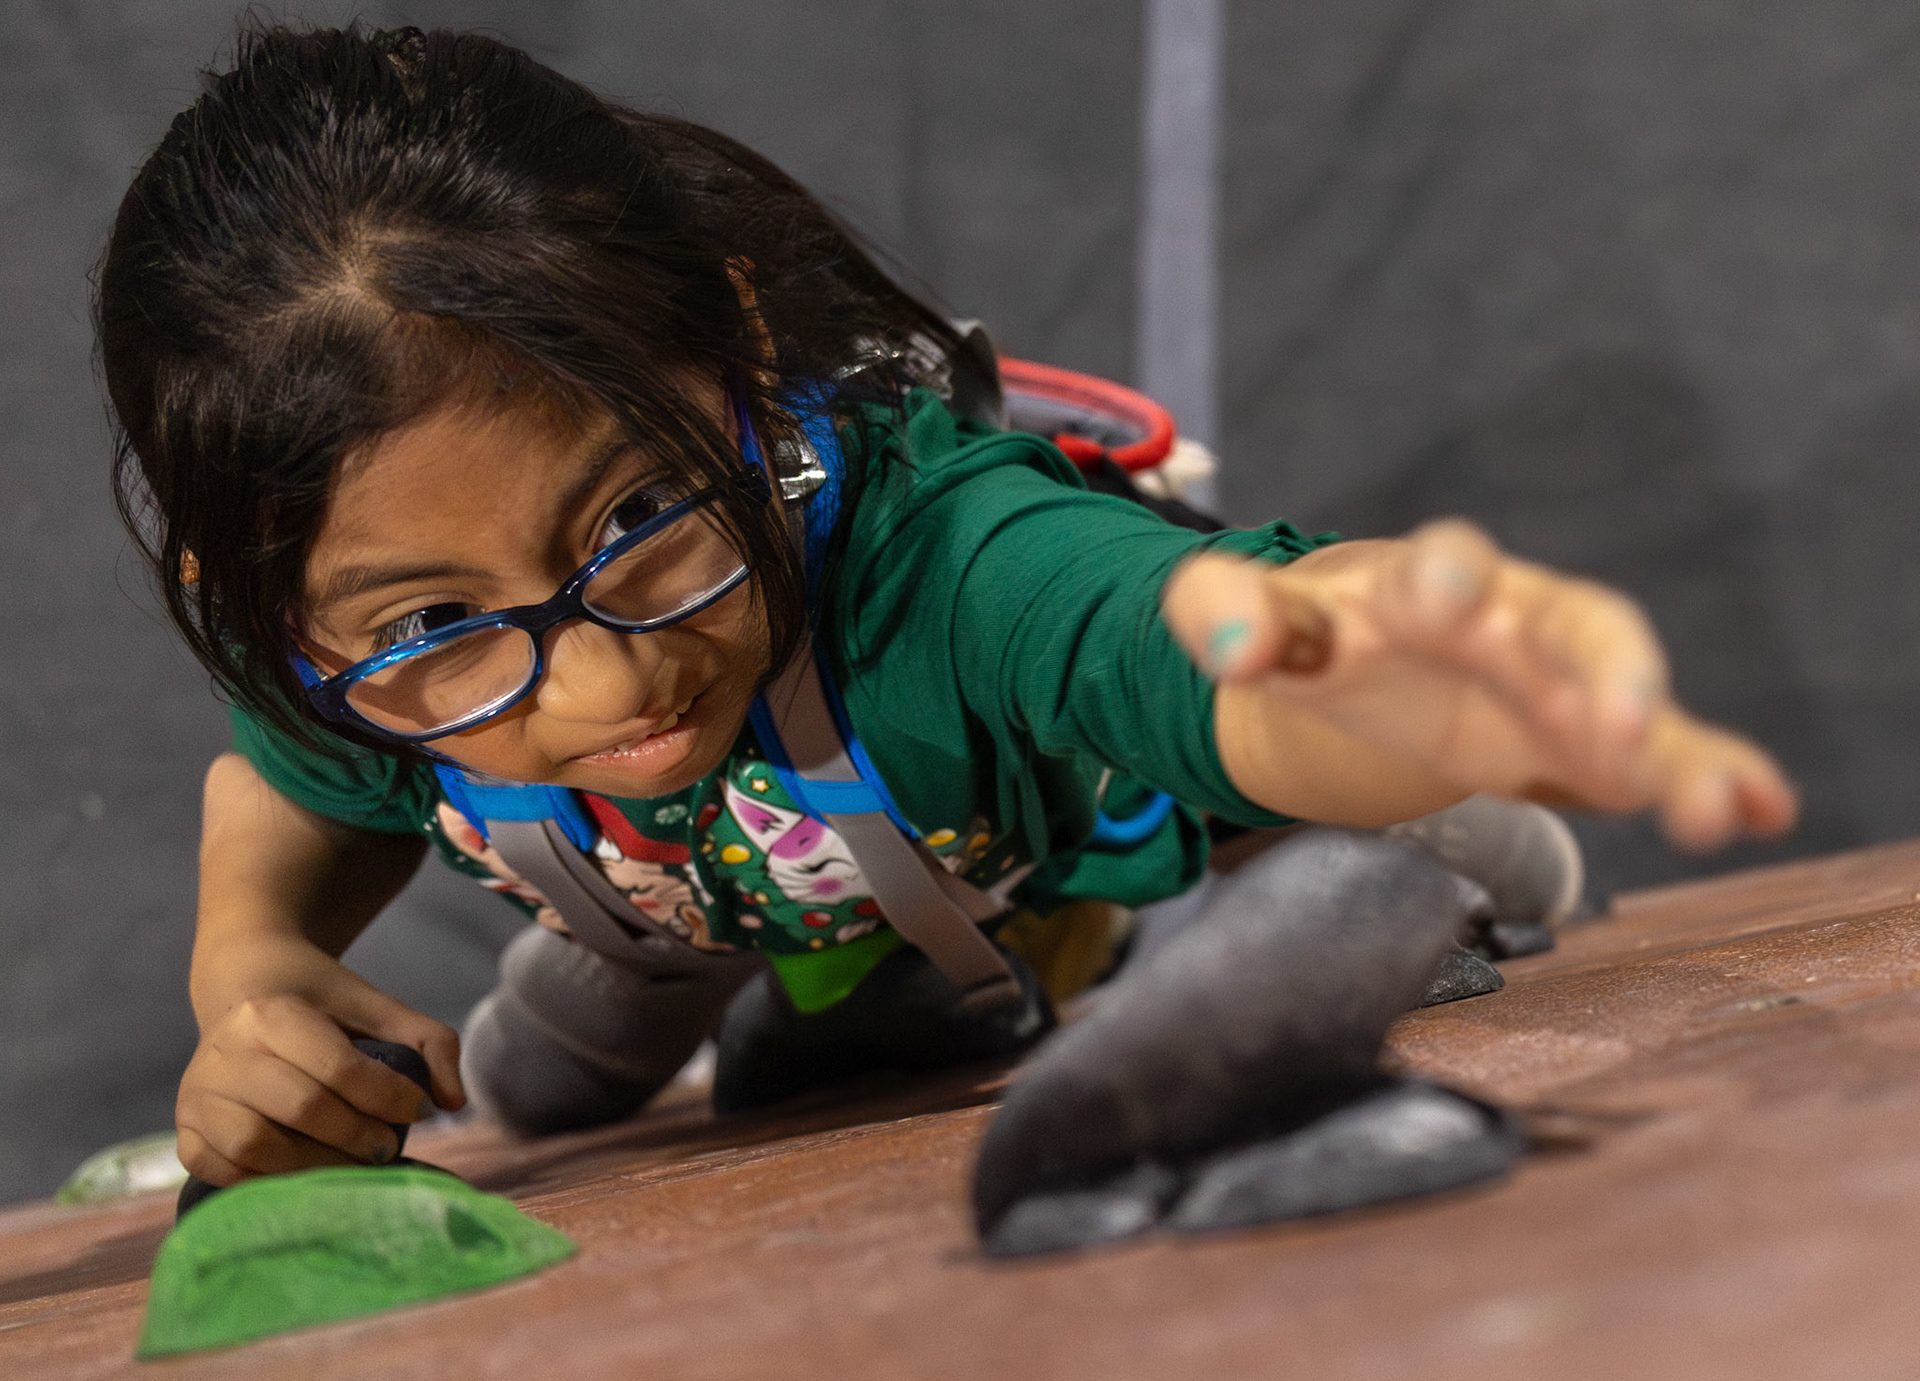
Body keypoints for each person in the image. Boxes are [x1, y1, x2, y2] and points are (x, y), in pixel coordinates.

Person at [97, 24, 1795, 1249]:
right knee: (534, 1089)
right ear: (246, 609)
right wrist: (245, 969)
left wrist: (1377, 672)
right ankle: (874, 975)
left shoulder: (942, 557)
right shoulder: (340, 660)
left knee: (1443, 844)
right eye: (441, 626)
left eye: (637, 521)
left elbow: (1149, 636)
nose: (616, 681)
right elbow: (287, 789)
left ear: (740, 358)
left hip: (1110, 814)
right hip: (718, 900)